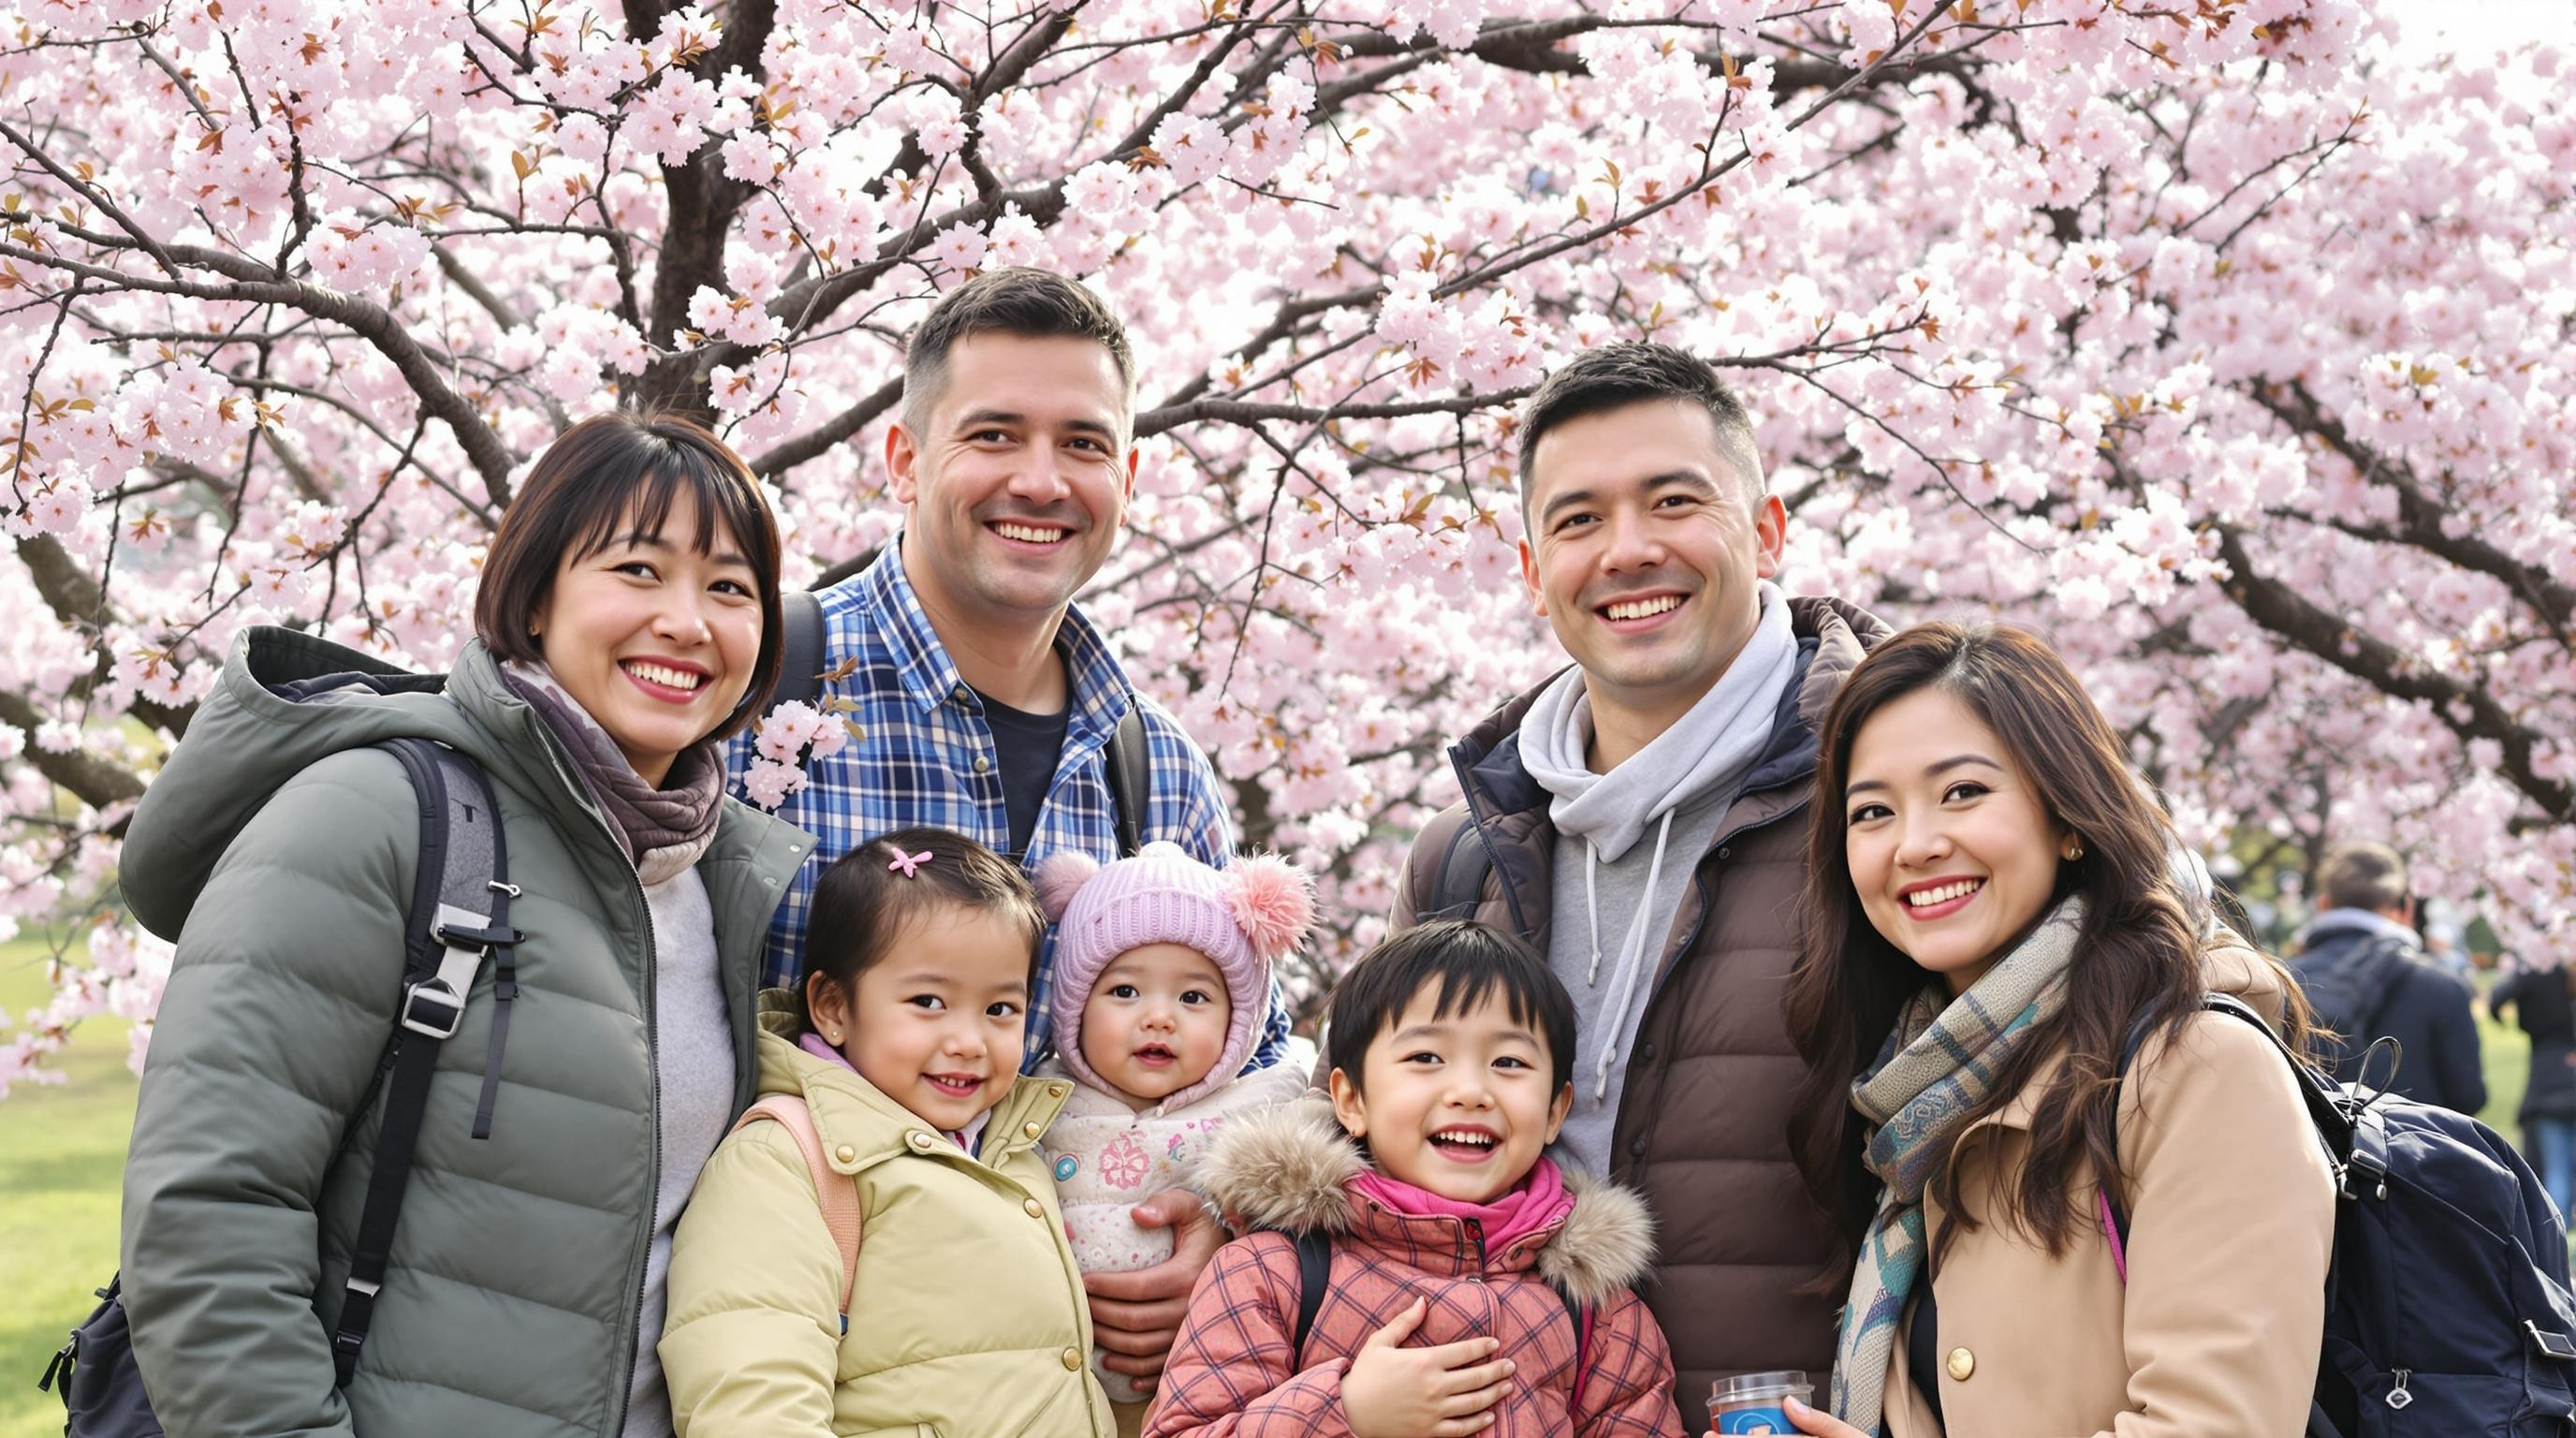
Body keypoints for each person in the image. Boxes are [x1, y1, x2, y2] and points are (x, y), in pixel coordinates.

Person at [117, 412, 809, 1438]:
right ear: (533, 597)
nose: (686, 621)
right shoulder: (375, 815)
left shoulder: (723, 879)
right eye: (637, 570)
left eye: (729, 589)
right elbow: (209, 1218)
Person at [735, 267, 1287, 1388]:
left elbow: (1253, 1071)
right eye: (994, 434)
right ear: (905, 459)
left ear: (1126, 476)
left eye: (1083, 444)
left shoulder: (1155, 767)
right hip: (802, 1368)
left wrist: (1232, 1242)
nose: (1040, 481)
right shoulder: (757, 693)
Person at [1389, 341, 1889, 1405]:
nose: (1626, 551)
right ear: (1532, 572)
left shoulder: (1891, 795)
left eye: (1672, 502)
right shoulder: (1466, 851)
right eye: (1576, 521)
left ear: (1764, 533)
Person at [1775, 623, 2334, 1438]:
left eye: (1963, 792)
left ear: (2067, 817)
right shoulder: (1912, 1097)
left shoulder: (2197, 1068)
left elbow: (2214, 1426)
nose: (1917, 844)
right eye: (1872, 812)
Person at [1146, 921, 1687, 1438]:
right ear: (1352, 1100)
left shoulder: (1596, 1311)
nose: (1471, 1090)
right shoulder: (1272, 1272)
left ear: (1554, 1112)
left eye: (1508, 1062)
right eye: (1426, 1056)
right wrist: (1347, 1410)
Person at [660, 827, 1110, 1436]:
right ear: (834, 1008)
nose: (969, 1042)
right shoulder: (786, 1158)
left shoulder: (1013, 1152)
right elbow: (753, 1402)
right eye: (928, 1001)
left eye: (1000, 1009)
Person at [1032, 843, 1321, 1431]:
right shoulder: (1035, 1102)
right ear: (1073, 1007)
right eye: (1124, 991)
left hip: (1210, 1395)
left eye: (1193, 997)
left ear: (1239, 1022)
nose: (1159, 1017)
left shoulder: (1269, 1111)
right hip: (1050, 1394)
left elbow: (1310, 1220)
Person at [2288, 842, 2485, 1114]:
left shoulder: (2281, 983)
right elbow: (2468, 1096)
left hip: (2310, 1153)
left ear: (2323, 904)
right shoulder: (2442, 987)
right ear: (2406, 908)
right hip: (2414, 1152)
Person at [2490, 956, 2576, 1220]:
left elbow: (2498, 998)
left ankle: (2557, 1241)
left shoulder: (2538, 969)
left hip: (2547, 1079)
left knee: (2555, 1170)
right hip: (2556, 1077)